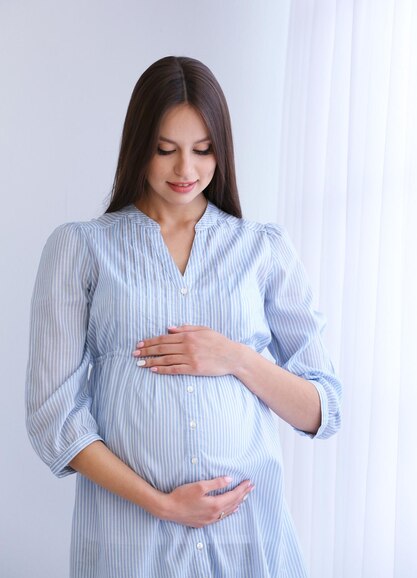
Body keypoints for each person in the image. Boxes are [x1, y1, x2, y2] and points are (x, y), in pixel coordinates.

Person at [26, 56, 342, 578]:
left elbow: (323, 410)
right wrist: (162, 504)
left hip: (249, 544)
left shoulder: (262, 249)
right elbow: (52, 416)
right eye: (165, 150)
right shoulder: (80, 249)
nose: (185, 171)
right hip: (128, 544)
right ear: (138, 147)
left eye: (203, 150)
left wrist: (236, 357)